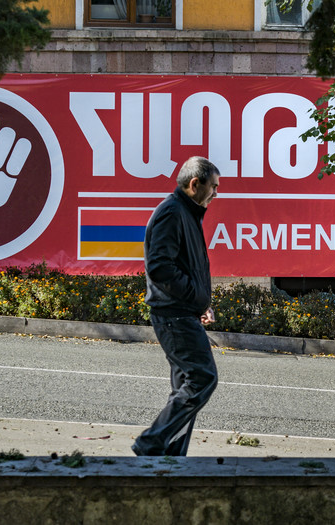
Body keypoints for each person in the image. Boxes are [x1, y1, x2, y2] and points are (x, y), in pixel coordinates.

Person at [132, 156, 220, 456]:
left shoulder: (186, 213)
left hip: (182, 312)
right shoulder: (172, 213)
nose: (216, 194)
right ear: (195, 184)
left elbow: (184, 268)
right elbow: (160, 267)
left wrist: (200, 303)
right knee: (202, 378)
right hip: (173, 315)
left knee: (185, 387)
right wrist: (195, 298)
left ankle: (171, 455)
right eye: (213, 187)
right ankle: (152, 442)